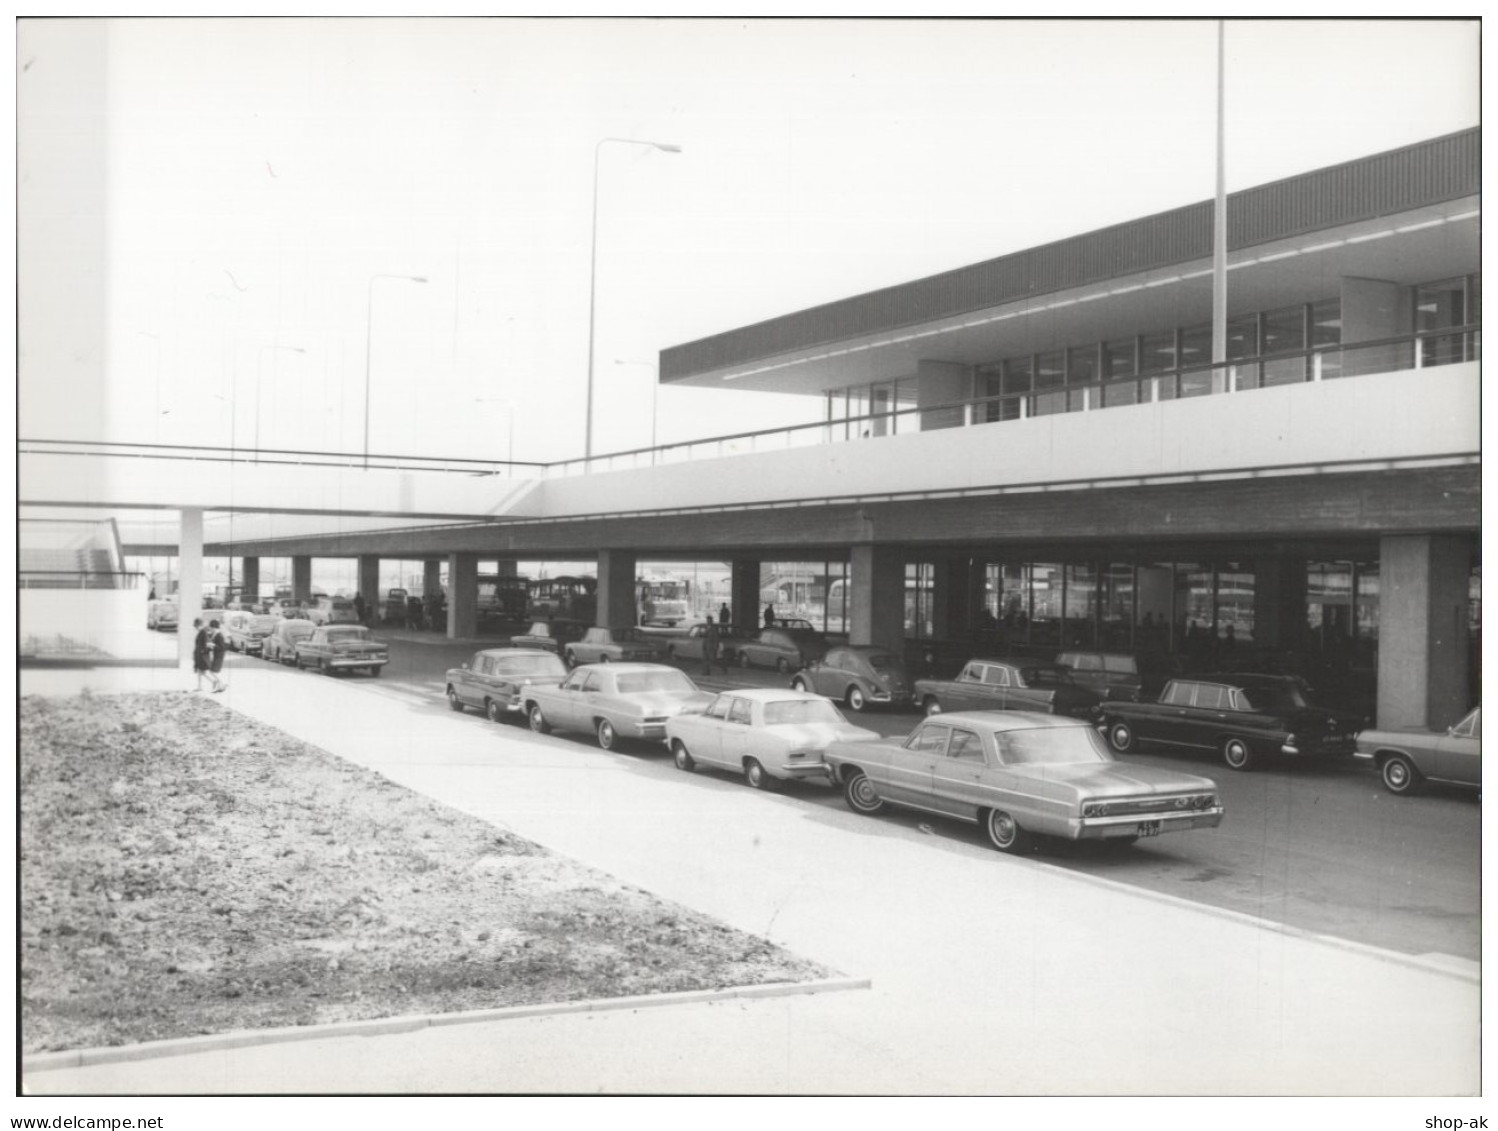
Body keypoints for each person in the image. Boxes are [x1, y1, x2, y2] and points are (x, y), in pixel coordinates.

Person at [207, 619, 228, 692]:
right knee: (213, 671)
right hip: (217, 655)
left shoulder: (219, 636)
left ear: (213, 627)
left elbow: (222, 647)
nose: (210, 629)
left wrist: (213, 645)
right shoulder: (216, 635)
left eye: (210, 628)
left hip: (219, 656)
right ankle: (220, 686)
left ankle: (222, 684)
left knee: (212, 671)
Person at [191, 617, 211, 691]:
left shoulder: (203, 632)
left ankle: (213, 682)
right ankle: (200, 686)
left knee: (202, 671)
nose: (195, 628)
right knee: (201, 671)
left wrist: (203, 651)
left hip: (202, 656)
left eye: (196, 626)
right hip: (200, 655)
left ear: (199, 625)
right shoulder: (201, 632)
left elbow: (207, 644)